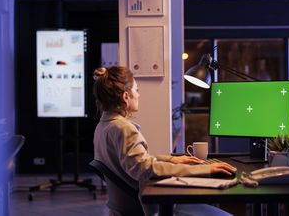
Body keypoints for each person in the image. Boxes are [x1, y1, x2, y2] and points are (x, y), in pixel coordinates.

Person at [93, 66, 236, 216]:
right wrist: (204, 169)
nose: (139, 95)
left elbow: (137, 162)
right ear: (126, 97)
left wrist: (172, 159)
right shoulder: (123, 128)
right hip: (152, 208)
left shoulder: (104, 126)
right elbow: (144, 169)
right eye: (137, 90)